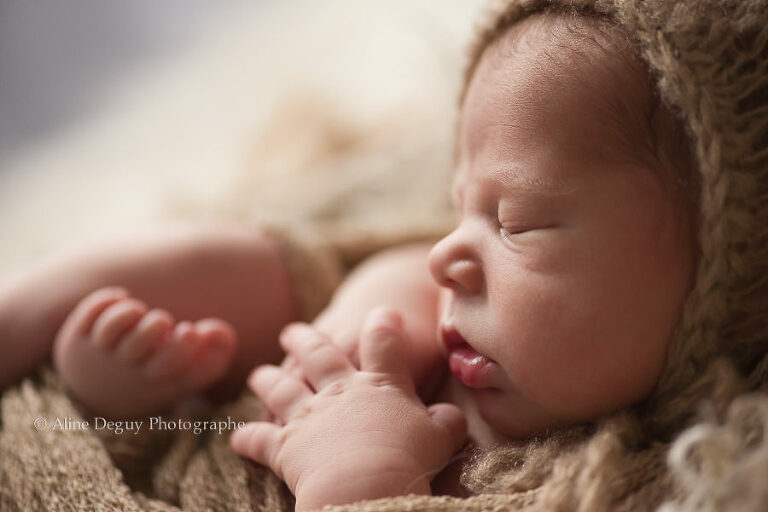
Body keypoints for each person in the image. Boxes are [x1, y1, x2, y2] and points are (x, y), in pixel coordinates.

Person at [1, 1, 767, 511]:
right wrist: (128, 403)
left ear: (719, 279)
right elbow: (380, 272)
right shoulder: (457, 318)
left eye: (516, 221)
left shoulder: (653, 479)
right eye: (460, 203)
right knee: (258, 262)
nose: (448, 256)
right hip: (204, 414)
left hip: (194, 474)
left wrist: (361, 483)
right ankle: (35, 309)